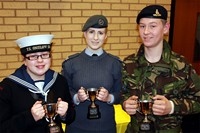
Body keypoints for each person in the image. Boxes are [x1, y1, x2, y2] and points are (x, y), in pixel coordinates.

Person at [121, 4, 200, 133]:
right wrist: (125, 104)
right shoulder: (129, 63)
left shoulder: (181, 65)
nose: (146, 32)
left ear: (165, 28)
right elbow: (122, 94)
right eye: (142, 26)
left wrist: (172, 107)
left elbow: (198, 100)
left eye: (153, 26)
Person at [0, 34, 75, 133]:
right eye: (33, 56)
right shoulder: (8, 87)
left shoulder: (59, 81)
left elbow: (71, 116)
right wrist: (30, 117)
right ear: (24, 60)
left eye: (44, 55)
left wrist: (65, 114)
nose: (40, 60)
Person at [61, 15, 122, 133]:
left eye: (100, 33)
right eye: (91, 32)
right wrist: (76, 97)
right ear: (84, 34)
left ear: (106, 36)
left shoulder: (115, 63)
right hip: (76, 126)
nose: (95, 37)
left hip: (105, 127)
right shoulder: (70, 63)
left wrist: (109, 97)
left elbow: (122, 93)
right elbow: (64, 93)